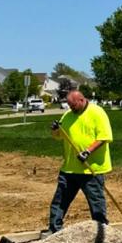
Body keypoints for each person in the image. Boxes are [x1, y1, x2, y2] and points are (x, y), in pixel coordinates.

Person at [45, 90, 113, 233]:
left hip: (90, 168)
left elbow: (104, 137)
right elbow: (59, 136)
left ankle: (101, 230)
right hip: (69, 168)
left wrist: (88, 151)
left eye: (73, 105)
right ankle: (54, 229)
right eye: (69, 105)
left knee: (96, 201)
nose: (71, 108)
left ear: (82, 100)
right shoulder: (68, 115)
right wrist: (55, 130)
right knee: (60, 200)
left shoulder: (97, 113)